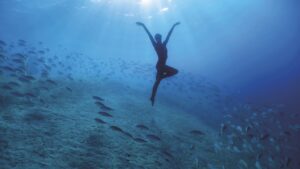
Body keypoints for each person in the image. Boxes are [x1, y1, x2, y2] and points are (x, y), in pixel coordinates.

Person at [136, 21, 180, 106]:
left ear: (161, 38)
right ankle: (152, 97)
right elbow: (149, 35)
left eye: (159, 38)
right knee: (158, 81)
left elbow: (169, 34)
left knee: (163, 78)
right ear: (156, 39)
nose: (158, 39)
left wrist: (174, 25)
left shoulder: (164, 43)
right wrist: (143, 25)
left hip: (162, 65)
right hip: (160, 66)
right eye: (157, 38)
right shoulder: (155, 45)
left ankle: (153, 94)